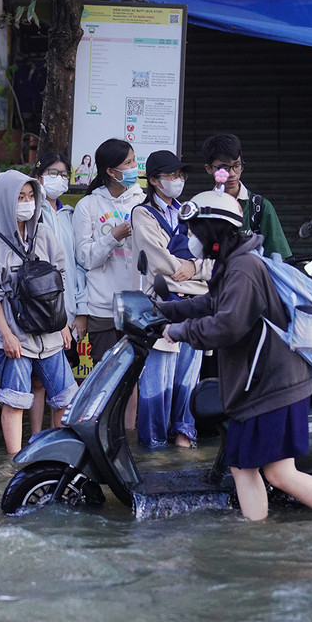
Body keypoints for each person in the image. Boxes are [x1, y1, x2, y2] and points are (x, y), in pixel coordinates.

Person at [159, 191, 312, 522]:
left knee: (278, 473)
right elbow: (212, 304)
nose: (191, 238)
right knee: (246, 467)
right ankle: (257, 536)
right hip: (263, 384)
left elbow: (228, 324)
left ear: (213, 229)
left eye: (195, 230)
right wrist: (164, 310)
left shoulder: (243, 267)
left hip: (270, 385)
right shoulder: (234, 263)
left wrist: (178, 331)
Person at [0, 171, 78, 456]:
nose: (27, 202)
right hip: (13, 334)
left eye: (31, 196)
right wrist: (6, 336)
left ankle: (58, 455)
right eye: (20, 197)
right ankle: (14, 463)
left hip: (48, 332)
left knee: (65, 396)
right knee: (15, 400)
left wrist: (63, 324)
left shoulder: (44, 234)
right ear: (7, 200)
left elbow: (59, 279)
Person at [131, 150, 208, 449]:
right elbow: (160, 262)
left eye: (180, 175)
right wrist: (191, 268)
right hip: (161, 306)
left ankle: (184, 438)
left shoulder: (192, 212)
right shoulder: (142, 213)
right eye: (171, 175)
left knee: (189, 377)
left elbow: (214, 259)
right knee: (156, 382)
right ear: (153, 180)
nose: (178, 180)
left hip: (198, 307)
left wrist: (195, 267)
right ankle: (153, 449)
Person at [74, 138, 144, 429]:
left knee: (133, 378)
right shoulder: (88, 205)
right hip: (102, 307)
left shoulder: (143, 201)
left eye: (133, 161)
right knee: (103, 377)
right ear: (111, 171)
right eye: (128, 163)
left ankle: (127, 437)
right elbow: (85, 257)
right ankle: (101, 431)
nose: (134, 168)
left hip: (137, 305)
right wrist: (113, 236)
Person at [30, 153, 87, 436]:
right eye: (53, 173)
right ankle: (36, 437)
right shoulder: (31, 215)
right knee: (39, 382)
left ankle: (59, 439)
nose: (59, 179)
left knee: (62, 382)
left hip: (70, 310)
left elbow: (78, 265)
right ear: (38, 176)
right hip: (40, 312)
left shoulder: (70, 216)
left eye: (65, 174)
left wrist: (81, 310)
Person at [201, 133, 291, 260]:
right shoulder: (200, 208)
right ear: (209, 168)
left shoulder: (260, 207)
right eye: (223, 168)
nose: (232, 174)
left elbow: (279, 258)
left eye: (236, 166)